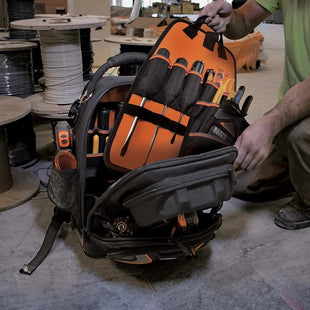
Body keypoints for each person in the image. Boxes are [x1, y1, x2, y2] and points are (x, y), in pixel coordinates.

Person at [200, 0, 310, 230]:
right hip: (299, 104)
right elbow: (245, 20)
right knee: (241, 182)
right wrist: (229, 18)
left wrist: (270, 124)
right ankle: (298, 170)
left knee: (297, 135)